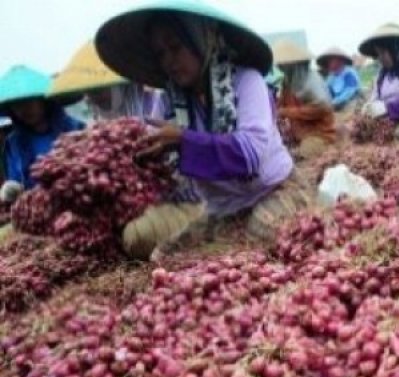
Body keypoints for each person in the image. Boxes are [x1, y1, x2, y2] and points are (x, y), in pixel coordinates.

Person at [95, 2, 310, 260]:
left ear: (201, 41)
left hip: (276, 190)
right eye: (161, 54)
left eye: (176, 47)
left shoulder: (246, 80)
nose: (169, 61)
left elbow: (250, 154)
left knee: (262, 233)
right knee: (164, 257)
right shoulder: (169, 103)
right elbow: (158, 154)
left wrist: (184, 141)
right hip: (224, 209)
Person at [0, 65, 84, 204]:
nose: (23, 109)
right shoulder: (13, 143)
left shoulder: (75, 129)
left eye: (29, 101)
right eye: (16, 104)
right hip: (38, 211)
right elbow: (15, 180)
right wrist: (11, 188)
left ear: (44, 100)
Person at [51, 41, 165, 123]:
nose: (95, 97)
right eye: (89, 92)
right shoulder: (97, 118)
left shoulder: (152, 101)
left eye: (99, 89)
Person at [273, 40, 336, 156]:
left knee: (302, 153)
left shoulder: (311, 80)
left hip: (320, 135)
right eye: (279, 65)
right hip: (299, 134)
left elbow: (322, 107)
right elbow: (280, 105)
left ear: (293, 64)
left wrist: (286, 112)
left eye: (282, 65)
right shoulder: (287, 82)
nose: (280, 67)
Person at [317, 47, 361, 112]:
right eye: (327, 61)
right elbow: (327, 90)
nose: (328, 63)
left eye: (330, 60)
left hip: (351, 103)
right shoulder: (331, 76)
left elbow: (349, 92)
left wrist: (334, 102)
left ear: (340, 60)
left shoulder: (349, 73)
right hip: (336, 105)